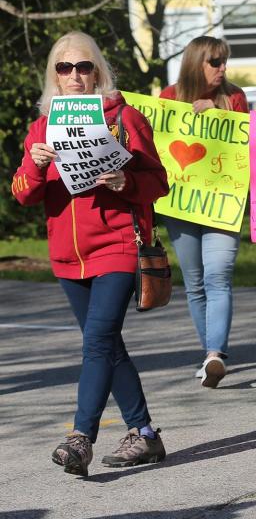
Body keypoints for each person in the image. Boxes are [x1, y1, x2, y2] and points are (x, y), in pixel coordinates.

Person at [13, 31, 169, 476]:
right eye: (65, 68)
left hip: (117, 246)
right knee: (106, 346)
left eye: (84, 67)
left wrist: (128, 183)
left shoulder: (126, 118)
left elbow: (159, 181)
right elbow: (22, 194)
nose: (75, 76)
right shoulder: (42, 127)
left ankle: (81, 437)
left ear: (97, 70)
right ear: (55, 77)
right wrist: (36, 165)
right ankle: (145, 435)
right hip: (67, 255)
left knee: (98, 342)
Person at [158, 36, 248, 388]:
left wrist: (221, 117)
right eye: (215, 62)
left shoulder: (234, 97)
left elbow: (247, 143)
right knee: (195, 284)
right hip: (182, 206)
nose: (222, 68)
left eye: (225, 61)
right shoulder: (169, 97)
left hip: (222, 204)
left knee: (218, 277)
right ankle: (208, 353)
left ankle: (215, 354)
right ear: (196, 63)